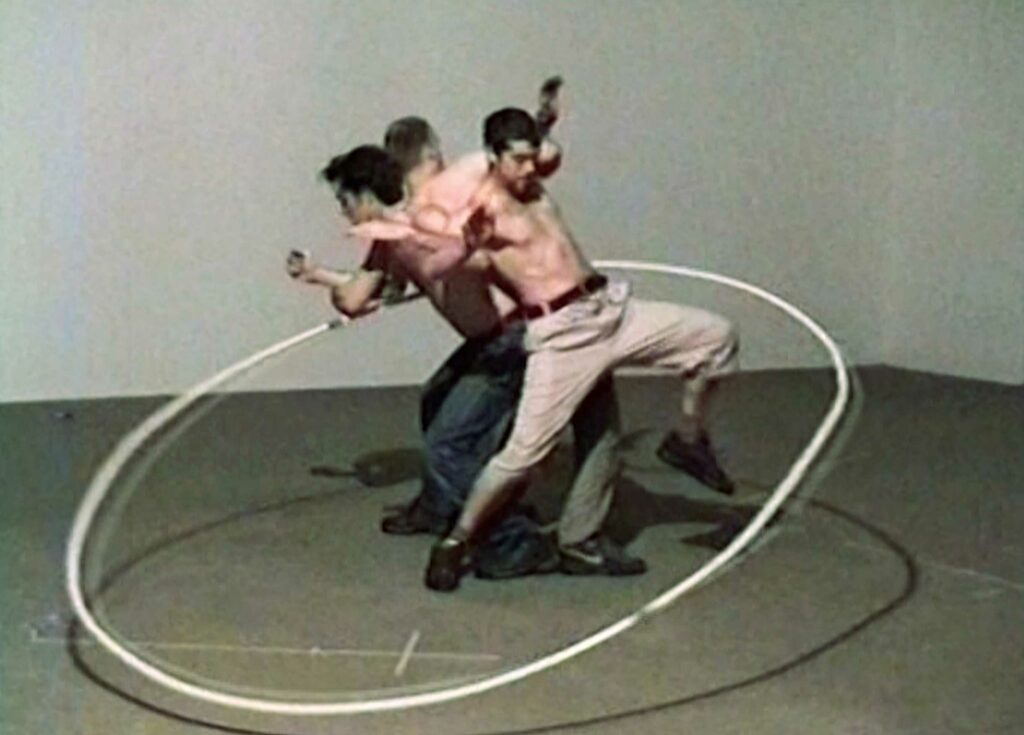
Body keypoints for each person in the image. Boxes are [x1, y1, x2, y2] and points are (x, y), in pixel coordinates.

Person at [362, 106, 739, 591]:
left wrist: (544, 124)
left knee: (717, 338)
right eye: (518, 160)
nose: (529, 168)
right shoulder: (474, 209)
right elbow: (437, 266)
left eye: (531, 157)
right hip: (562, 337)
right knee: (521, 455)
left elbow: (545, 154)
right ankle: (456, 542)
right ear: (493, 157)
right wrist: (465, 246)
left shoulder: (534, 186)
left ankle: (687, 442)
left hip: (611, 311)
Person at [291, 110, 640, 580]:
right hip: (490, 342)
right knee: (435, 399)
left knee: (451, 443)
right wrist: (318, 276)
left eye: (344, 201)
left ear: (367, 195)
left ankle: (513, 539)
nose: (343, 212)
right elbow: (363, 296)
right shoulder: (391, 239)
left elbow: (363, 295)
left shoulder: (432, 221)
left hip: (513, 341)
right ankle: (440, 505)